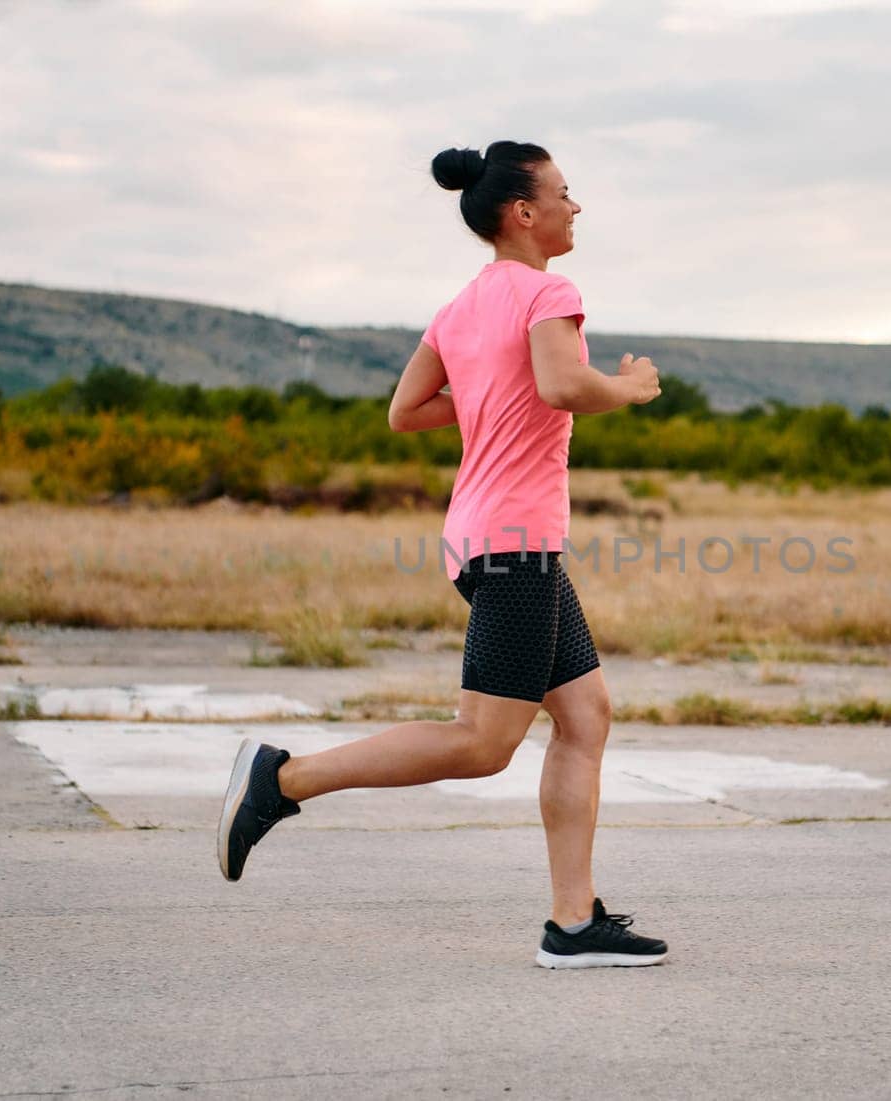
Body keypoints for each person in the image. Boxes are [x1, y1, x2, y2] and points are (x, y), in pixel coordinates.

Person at [216, 140, 669, 969]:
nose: (577, 208)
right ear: (524, 213)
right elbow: (568, 387)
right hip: (513, 542)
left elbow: (405, 410)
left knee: (585, 714)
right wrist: (629, 389)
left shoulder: (462, 305)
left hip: (485, 534)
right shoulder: (549, 290)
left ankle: (574, 922)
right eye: (566, 194)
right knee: (482, 741)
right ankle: (281, 780)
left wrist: (494, 394)